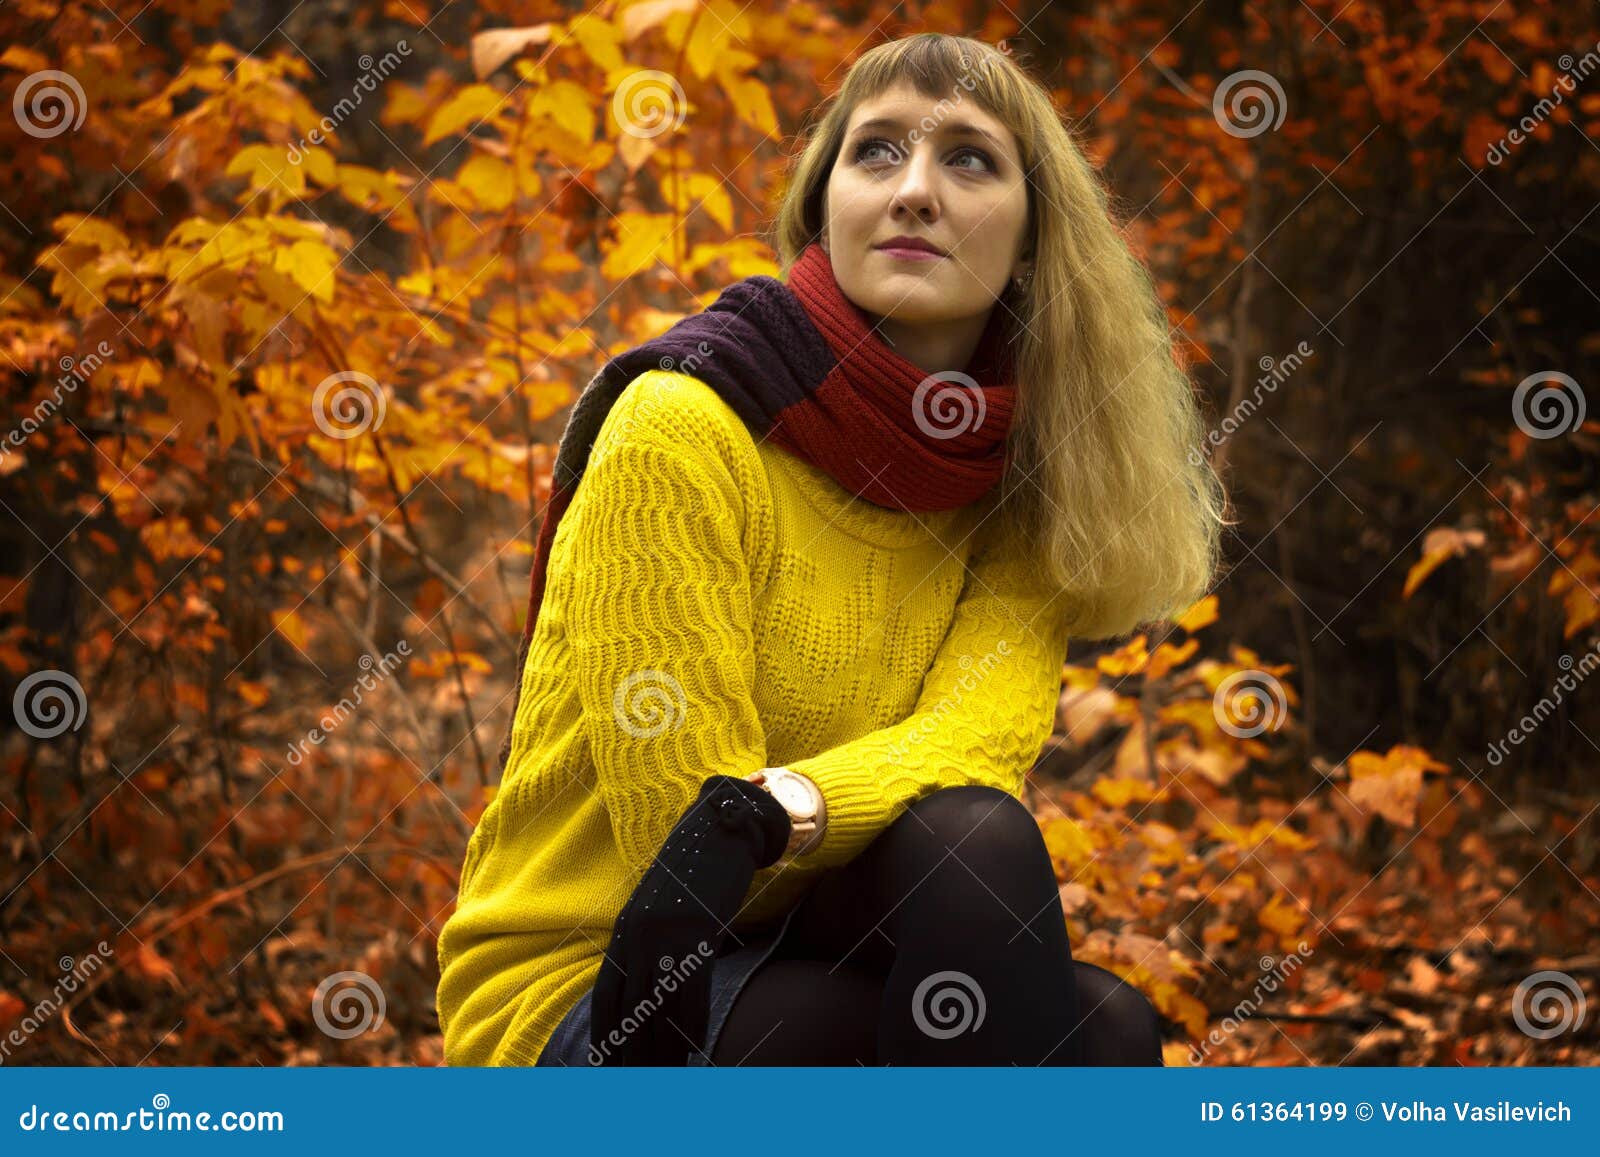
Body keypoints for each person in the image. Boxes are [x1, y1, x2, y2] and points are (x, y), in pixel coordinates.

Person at [436, 31, 1225, 1067]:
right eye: (878, 151)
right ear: (824, 209)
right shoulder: (684, 425)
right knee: (1029, 1032)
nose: (914, 191)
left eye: (970, 159)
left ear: (1033, 240)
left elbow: (973, 744)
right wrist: (751, 825)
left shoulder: (1025, 476)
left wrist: (785, 805)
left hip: (816, 925)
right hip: (600, 976)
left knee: (1081, 990)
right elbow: (691, 848)